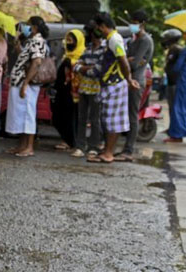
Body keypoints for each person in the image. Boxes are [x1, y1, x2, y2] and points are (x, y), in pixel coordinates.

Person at [88, 12, 140, 164]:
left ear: (103, 26)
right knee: (108, 119)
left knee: (113, 120)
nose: (97, 30)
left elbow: (123, 61)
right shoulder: (112, 39)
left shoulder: (115, 40)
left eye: (98, 27)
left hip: (115, 84)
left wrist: (129, 79)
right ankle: (106, 151)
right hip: (111, 84)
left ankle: (108, 153)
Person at [5, 17, 49, 157]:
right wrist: (18, 47)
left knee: (28, 115)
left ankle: (29, 147)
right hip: (20, 82)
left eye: (28, 25)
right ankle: (22, 145)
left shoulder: (37, 41)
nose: (25, 27)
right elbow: (26, 59)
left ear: (35, 27)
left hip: (27, 84)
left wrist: (25, 83)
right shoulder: (31, 41)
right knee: (20, 115)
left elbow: (36, 63)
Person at [120, 9, 154, 161]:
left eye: (135, 23)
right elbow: (129, 59)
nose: (132, 26)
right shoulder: (134, 39)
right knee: (126, 115)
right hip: (128, 80)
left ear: (142, 24)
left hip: (136, 82)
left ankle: (128, 150)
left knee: (132, 116)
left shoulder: (145, 40)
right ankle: (124, 148)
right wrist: (128, 59)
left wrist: (127, 60)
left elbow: (134, 63)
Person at [74, 23, 105, 158]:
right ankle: (80, 146)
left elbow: (97, 70)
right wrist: (86, 67)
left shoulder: (104, 50)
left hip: (97, 89)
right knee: (81, 118)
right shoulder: (88, 49)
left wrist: (84, 68)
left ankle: (94, 146)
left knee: (95, 119)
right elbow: (76, 65)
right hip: (84, 88)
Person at [52, 29, 85, 154]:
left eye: (71, 41)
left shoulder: (81, 55)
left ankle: (71, 142)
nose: (68, 43)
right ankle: (66, 139)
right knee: (59, 116)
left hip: (73, 92)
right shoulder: (66, 55)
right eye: (68, 40)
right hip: (62, 91)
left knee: (71, 117)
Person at [161, 29, 183, 125]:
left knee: (174, 107)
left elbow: (173, 65)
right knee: (171, 106)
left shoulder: (176, 49)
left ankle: (175, 129)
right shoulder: (172, 49)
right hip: (171, 82)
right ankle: (172, 128)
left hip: (175, 82)